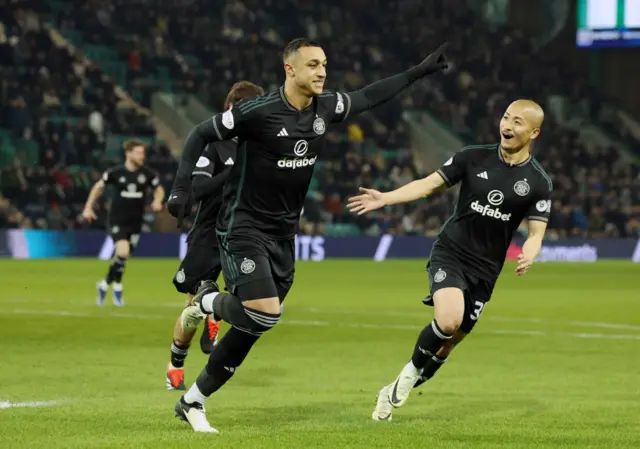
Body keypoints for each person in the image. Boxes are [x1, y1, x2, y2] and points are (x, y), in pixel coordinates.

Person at [167, 37, 449, 433]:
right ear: (290, 69)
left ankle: (193, 400)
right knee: (265, 311)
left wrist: (417, 72)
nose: (321, 72)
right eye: (313, 65)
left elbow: (370, 96)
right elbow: (199, 133)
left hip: (284, 232)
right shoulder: (257, 111)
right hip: (243, 225)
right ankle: (207, 299)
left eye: (324, 64)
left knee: (255, 324)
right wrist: (180, 188)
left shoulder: (326, 107)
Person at [347, 99, 553, 421]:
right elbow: (428, 185)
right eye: (505, 117)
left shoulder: (538, 182)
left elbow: (536, 234)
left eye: (517, 122)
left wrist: (529, 252)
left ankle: (391, 391)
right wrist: (385, 198)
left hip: (486, 270)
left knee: (447, 345)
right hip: (452, 252)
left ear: (534, 132)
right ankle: (409, 371)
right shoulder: (472, 157)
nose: (507, 126)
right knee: (448, 320)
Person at [167, 81, 265, 391]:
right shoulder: (214, 145)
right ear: (235, 110)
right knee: (190, 307)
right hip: (209, 233)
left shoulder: (260, 147)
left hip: (245, 233)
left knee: (253, 298)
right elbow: (197, 189)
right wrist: (230, 174)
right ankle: (176, 363)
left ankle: (216, 310)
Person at [82, 139, 164, 306]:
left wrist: (158, 200)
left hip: (136, 223)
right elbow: (99, 187)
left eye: (143, 153)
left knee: (122, 259)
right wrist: (88, 207)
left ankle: (104, 284)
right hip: (117, 220)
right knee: (123, 253)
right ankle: (118, 287)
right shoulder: (116, 173)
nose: (143, 156)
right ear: (128, 153)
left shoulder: (147, 174)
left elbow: (159, 189)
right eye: (139, 153)